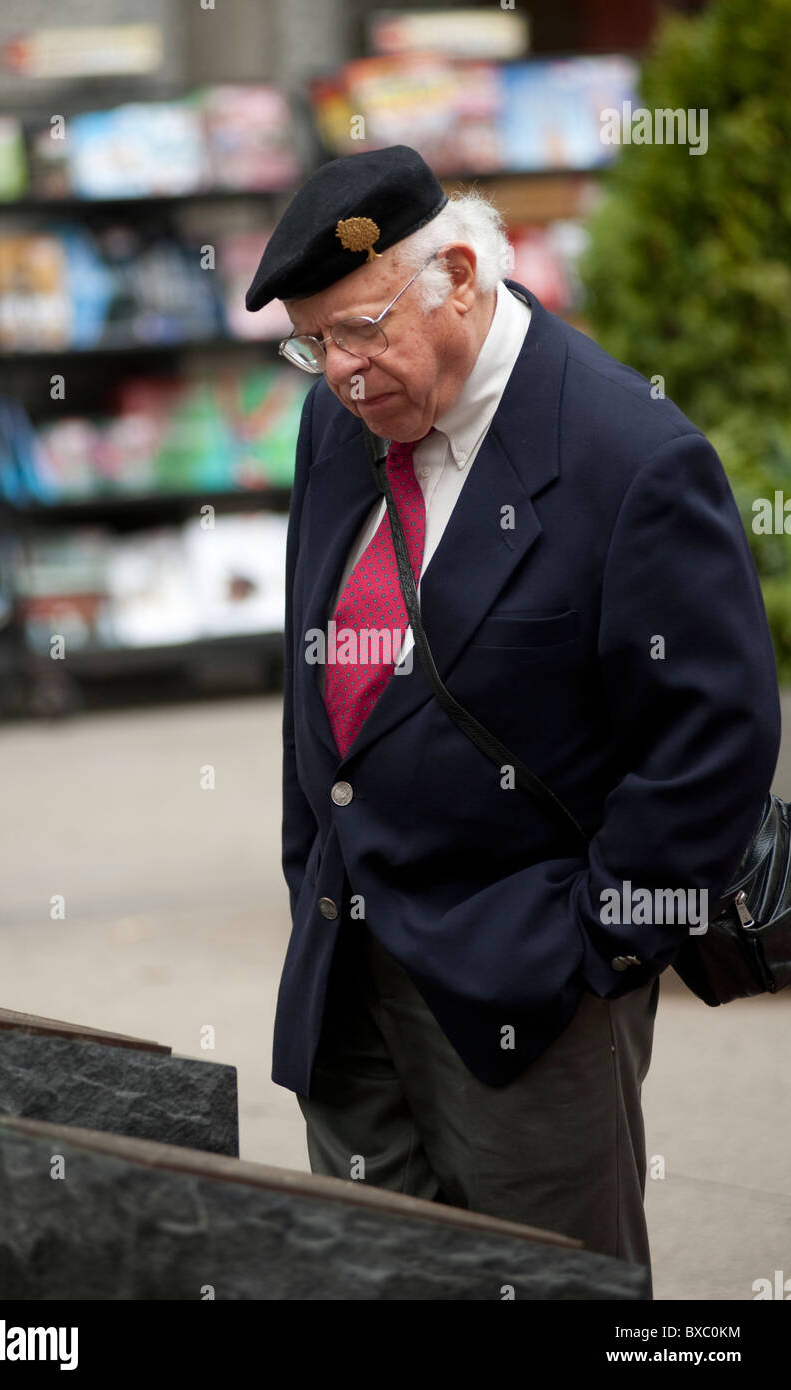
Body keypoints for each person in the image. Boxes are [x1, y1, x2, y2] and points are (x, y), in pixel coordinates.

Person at [244, 144, 780, 1290]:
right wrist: (312, 880)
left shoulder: (630, 456)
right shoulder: (342, 419)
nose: (339, 371)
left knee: (548, 1286)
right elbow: (319, 665)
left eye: (362, 328)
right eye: (313, 343)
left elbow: (713, 743)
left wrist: (596, 945)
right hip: (345, 967)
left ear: (463, 277)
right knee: (362, 1276)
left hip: (530, 988)